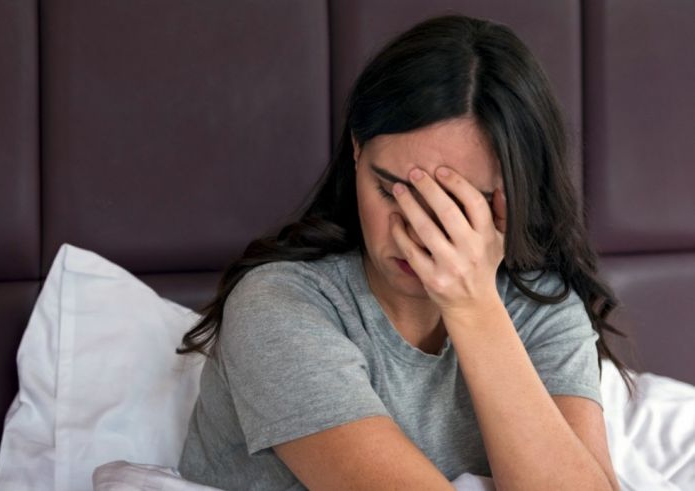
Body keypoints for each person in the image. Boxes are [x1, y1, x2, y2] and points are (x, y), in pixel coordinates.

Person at [175, 13, 633, 490]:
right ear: (357, 149)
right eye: (393, 191)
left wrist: (474, 306)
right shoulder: (279, 307)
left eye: (455, 205)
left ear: (511, 194)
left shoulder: (540, 306)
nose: (418, 233)